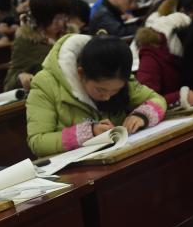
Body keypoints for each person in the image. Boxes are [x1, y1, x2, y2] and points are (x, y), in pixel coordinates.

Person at [25, 34, 166, 156]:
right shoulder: (46, 83)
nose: (107, 97)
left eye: (115, 91)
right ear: (81, 73)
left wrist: (141, 116)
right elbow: (38, 142)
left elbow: (157, 99)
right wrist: (90, 132)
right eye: (101, 90)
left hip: (117, 157)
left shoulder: (116, 67)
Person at [4, 0, 71, 91]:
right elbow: (8, 84)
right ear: (41, 18)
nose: (60, 23)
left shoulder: (70, 34)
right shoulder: (26, 41)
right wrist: (20, 77)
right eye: (54, 19)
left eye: (62, 17)